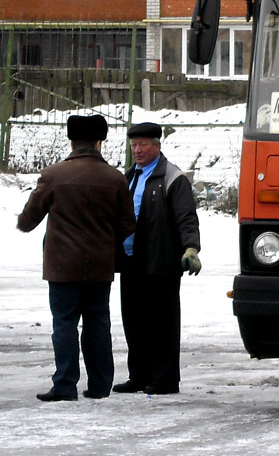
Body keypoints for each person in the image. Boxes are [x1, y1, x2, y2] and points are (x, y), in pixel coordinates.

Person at [17, 114, 136, 402]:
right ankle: (99, 385)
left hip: (62, 266)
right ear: (100, 141)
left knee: (64, 324)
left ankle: (65, 384)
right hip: (99, 265)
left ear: (71, 141)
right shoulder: (115, 178)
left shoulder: (53, 175)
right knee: (98, 323)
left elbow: (28, 220)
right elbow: (128, 224)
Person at [113, 121, 201, 396]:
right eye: (134, 146)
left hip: (161, 261)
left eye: (143, 145)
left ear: (157, 146)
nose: (137, 150)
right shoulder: (130, 176)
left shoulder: (173, 178)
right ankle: (138, 376)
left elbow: (186, 218)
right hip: (131, 261)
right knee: (134, 320)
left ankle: (165, 379)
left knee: (162, 322)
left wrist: (191, 249)